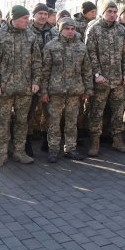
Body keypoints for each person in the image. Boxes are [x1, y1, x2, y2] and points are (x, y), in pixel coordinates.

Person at [0, 5, 42, 168]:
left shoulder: (30, 36)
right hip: (4, 89)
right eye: (25, 18)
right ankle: (1, 154)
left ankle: (19, 152)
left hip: (25, 88)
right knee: (2, 122)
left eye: (28, 17)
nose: (28, 20)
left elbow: (37, 61)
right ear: (14, 18)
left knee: (22, 122)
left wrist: (36, 81)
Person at [40, 18, 93, 162]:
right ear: (60, 29)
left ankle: (70, 148)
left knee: (72, 121)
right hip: (55, 91)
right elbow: (45, 71)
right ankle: (53, 150)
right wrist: (43, 91)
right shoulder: (51, 46)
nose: (70, 32)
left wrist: (88, 89)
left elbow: (87, 70)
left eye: (72, 29)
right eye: (66, 29)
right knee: (54, 122)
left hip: (75, 91)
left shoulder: (81, 47)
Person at [85, 0, 125, 155]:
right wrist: (97, 74)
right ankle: (95, 142)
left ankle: (117, 140)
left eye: (114, 11)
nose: (112, 15)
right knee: (97, 111)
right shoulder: (94, 29)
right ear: (103, 12)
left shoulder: (121, 30)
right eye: (109, 11)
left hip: (118, 80)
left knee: (119, 111)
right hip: (101, 81)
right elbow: (89, 54)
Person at [28, 3, 59, 154]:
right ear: (33, 15)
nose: (42, 16)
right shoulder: (26, 31)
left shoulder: (54, 32)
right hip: (30, 77)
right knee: (29, 111)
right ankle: (27, 141)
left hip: (49, 77)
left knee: (49, 110)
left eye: (45, 14)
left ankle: (46, 140)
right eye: (39, 13)